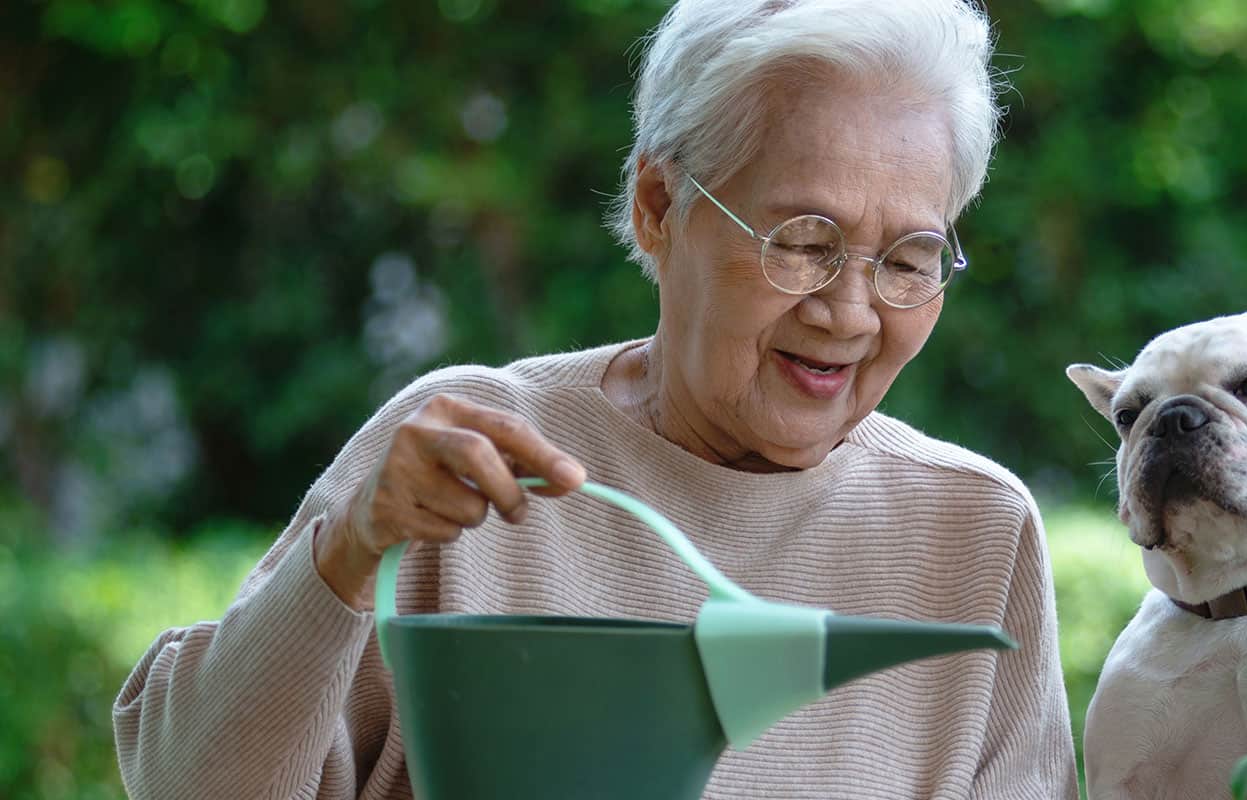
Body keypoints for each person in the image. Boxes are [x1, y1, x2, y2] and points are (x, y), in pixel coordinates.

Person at [112, 1, 1080, 797]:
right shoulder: (462, 456)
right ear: (659, 207)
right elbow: (186, 784)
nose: (850, 309)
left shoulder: (974, 528)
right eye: (803, 241)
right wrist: (347, 556)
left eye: (908, 258)